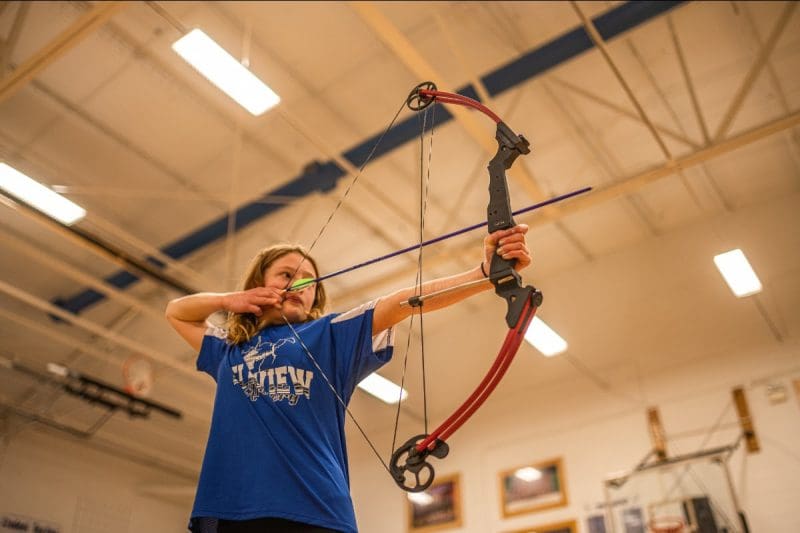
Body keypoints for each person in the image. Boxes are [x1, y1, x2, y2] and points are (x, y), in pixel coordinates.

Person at [165, 224, 532, 533]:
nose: (299, 285)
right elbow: (177, 313)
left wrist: (484, 275)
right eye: (286, 275)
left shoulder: (328, 335)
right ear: (258, 284)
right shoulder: (229, 349)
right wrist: (230, 300)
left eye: (309, 282)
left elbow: (401, 302)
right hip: (230, 508)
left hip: (316, 510)